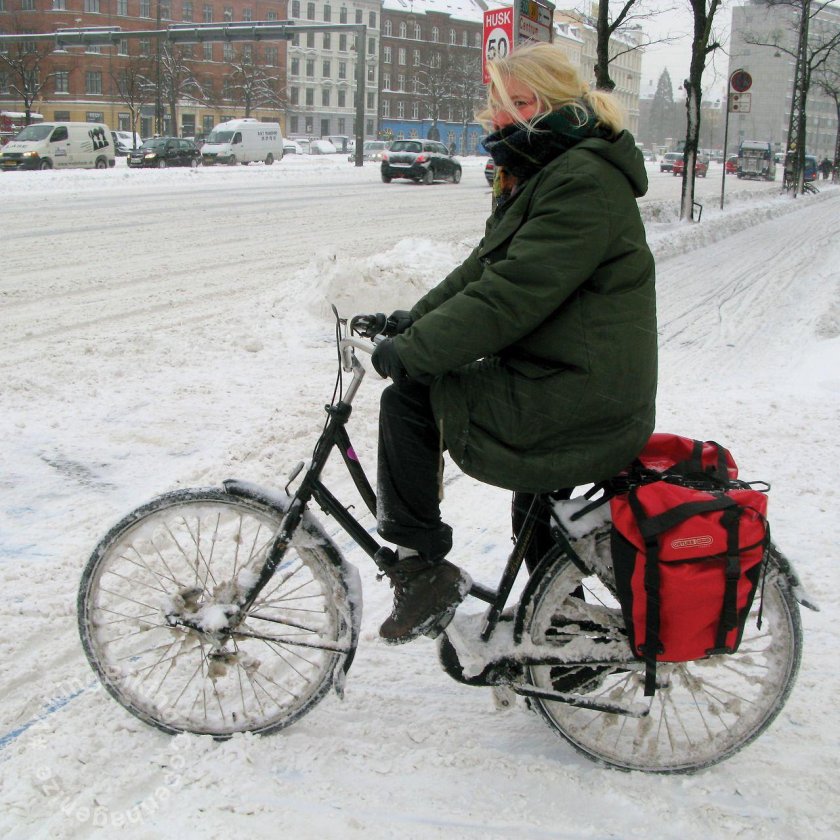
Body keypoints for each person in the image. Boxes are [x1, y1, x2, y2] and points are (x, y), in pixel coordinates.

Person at [368, 42, 658, 645]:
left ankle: (422, 571)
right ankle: (567, 638)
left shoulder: (582, 180)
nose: (502, 116)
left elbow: (511, 294)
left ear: (557, 103)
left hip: (579, 392)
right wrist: (413, 323)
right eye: (499, 103)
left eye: (520, 102)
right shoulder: (546, 171)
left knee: (410, 401)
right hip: (570, 379)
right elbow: (484, 269)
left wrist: (415, 354)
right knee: (538, 514)